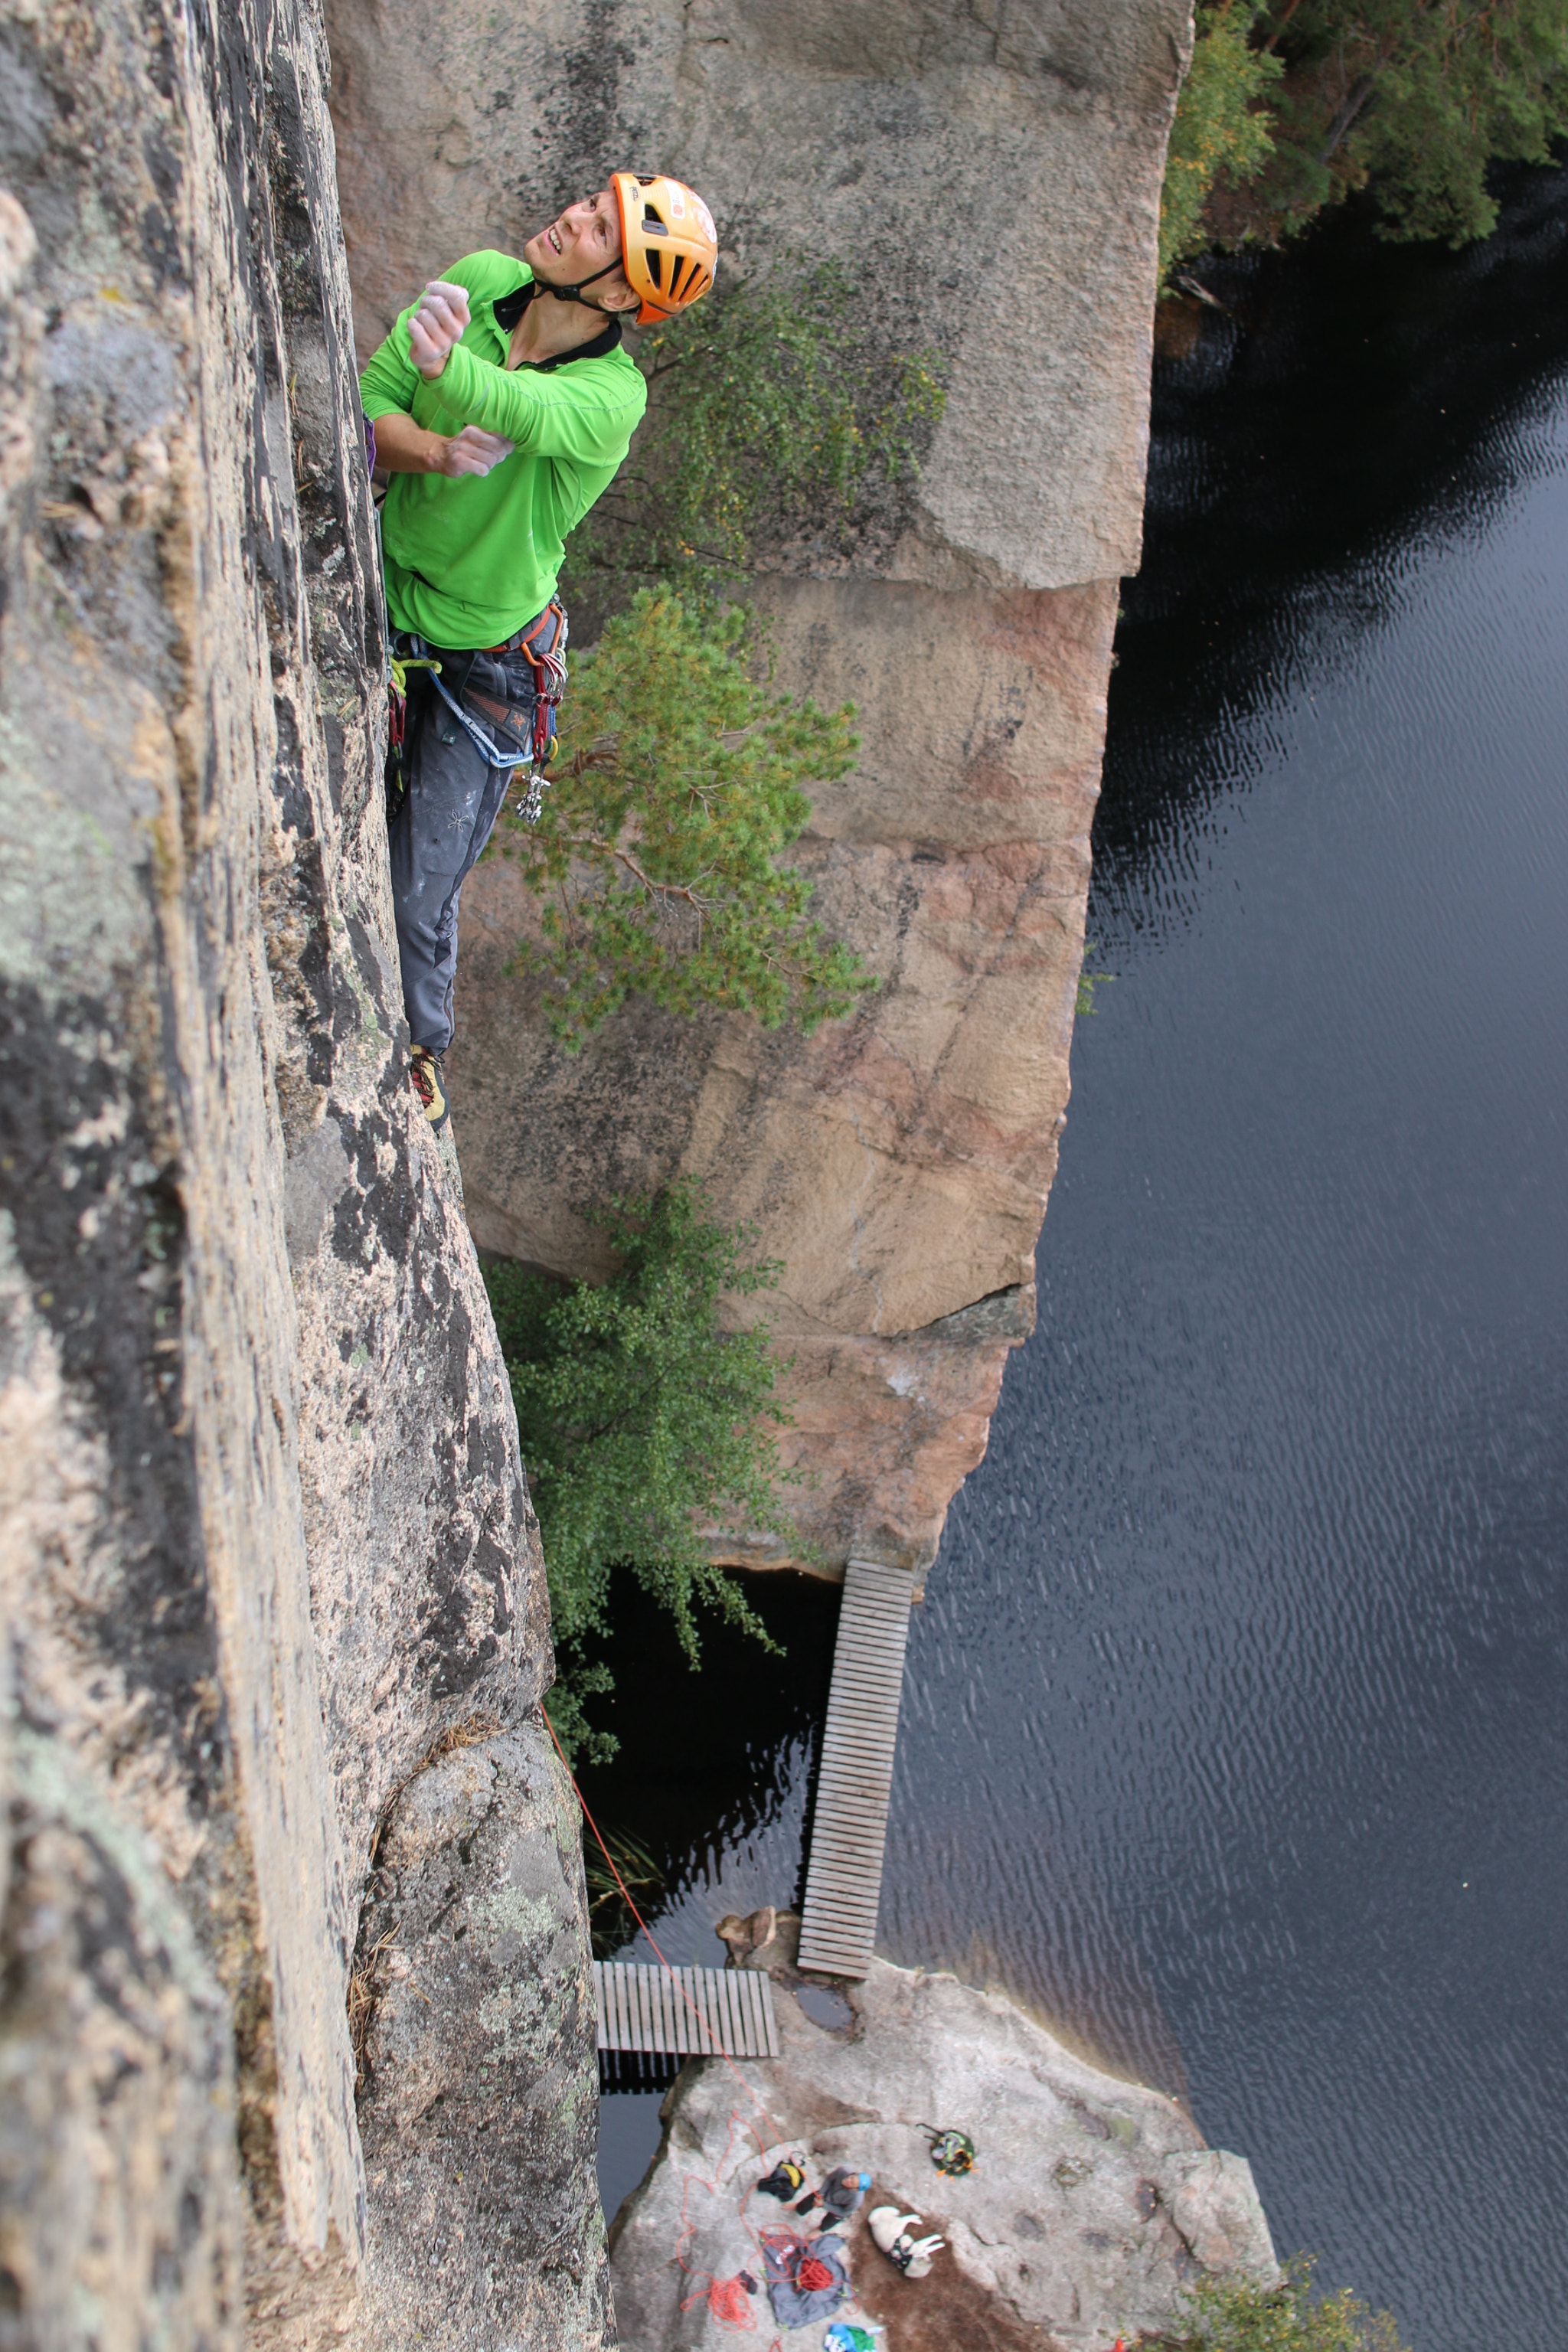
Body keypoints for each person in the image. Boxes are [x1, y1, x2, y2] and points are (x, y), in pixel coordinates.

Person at [358, 174, 717, 1129]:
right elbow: (371, 412)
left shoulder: (611, 396)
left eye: (600, 229)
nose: (573, 218)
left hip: (489, 663)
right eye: (589, 205)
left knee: (414, 884)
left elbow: (522, 413)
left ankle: (419, 1050)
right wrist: (431, 452)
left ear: (616, 298)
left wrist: (447, 370)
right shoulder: (481, 282)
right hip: (393, 595)